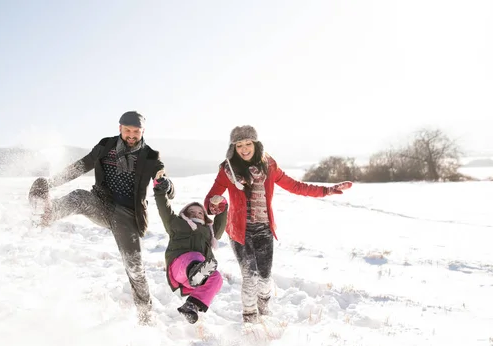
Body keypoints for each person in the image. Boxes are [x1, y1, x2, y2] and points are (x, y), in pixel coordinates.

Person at [28, 111, 174, 325]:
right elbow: (80, 166)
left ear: (143, 131)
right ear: (120, 129)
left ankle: (145, 316)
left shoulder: (150, 156)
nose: (132, 135)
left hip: (128, 215)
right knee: (78, 197)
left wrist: (166, 185)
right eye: (127, 131)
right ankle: (45, 214)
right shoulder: (106, 146)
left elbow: (162, 177)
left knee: (134, 267)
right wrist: (50, 184)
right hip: (101, 203)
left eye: (136, 131)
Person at [204, 125, 353, 323]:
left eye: (248, 143)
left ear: (255, 144)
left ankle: (263, 310)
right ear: (234, 147)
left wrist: (326, 191)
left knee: (265, 279)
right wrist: (215, 203)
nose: (244, 148)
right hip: (240, 232)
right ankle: (250, 321)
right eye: (239, 145)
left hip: (264, 230)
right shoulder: (228, 169)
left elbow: (296, 186)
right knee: (250, 277)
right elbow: (210, 200)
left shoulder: (269, 165)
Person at [153, 176, 228, 324]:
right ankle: (197, 271)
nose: (195, 213)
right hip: (179, 268)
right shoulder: (175, 223)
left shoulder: (209, 231)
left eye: (199, 212)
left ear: (205, 217)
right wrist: (159, 189)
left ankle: (191, 305)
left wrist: (222, 205)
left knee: (217, 278)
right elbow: (163, 207)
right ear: (184, 213)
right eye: (191, 211)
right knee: (196, 257)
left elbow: (221, 221)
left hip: (193, 280)